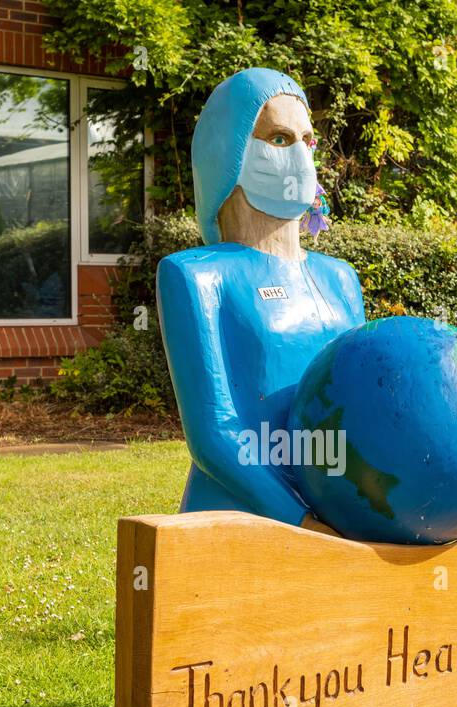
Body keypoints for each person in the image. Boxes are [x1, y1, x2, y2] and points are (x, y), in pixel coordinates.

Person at [156, 68, 364, 530]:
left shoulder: (341, 279)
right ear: (225, 152)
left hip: (340, 522)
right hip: (236, 522)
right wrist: (301, 521)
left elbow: (359, 401)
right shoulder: (196, 276)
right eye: (279, 138)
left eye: (308, 140)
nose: (301, 157)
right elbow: (215, 434)